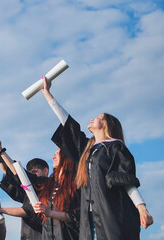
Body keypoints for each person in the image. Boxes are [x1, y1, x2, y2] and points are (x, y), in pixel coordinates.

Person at [41, 76, 154, 239]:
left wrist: (142, 208)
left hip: (112, 216)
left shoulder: (116, 148)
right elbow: (69, 124)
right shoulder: (87, 150)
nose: (93, 118)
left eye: (99, 117)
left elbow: (127, 182)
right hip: (89, 220)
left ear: (107, 125)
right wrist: (47, 94)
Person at [0, 131, 80, 240]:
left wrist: (50, 213)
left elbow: (77, 215)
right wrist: (1, 151)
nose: (53, 157)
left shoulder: (76, 185)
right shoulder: (45, 184)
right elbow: (19, 173)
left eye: (57, 154)